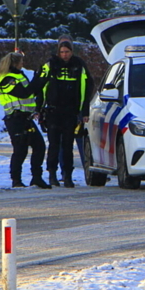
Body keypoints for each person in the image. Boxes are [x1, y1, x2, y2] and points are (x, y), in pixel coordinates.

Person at [39, 38, 92, 187]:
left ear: (72, 52)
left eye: (67, 52)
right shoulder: (50, 65)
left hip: (70, 112)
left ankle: (67, 176)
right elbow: (41, 87)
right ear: (58, 52)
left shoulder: (79, 65)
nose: (64, 55)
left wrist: (84, 111)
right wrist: (39, 109)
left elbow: (86, 89)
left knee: (68, 146)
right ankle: (52, 175)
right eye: (62, 52)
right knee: (54, 145)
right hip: (53, 111)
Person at [0, 51, 50, 189]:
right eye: (21, 62)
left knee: (39, 146)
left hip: (26, 118)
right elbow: (24, 93)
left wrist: (41, 79)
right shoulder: (6, 79)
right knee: (20, 150)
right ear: (14, 63)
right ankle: (16, 180)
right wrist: (39, 79)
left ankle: (36, 178)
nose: (23, 64)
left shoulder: (19, 75)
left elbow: (32, 92)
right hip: (15, 119)